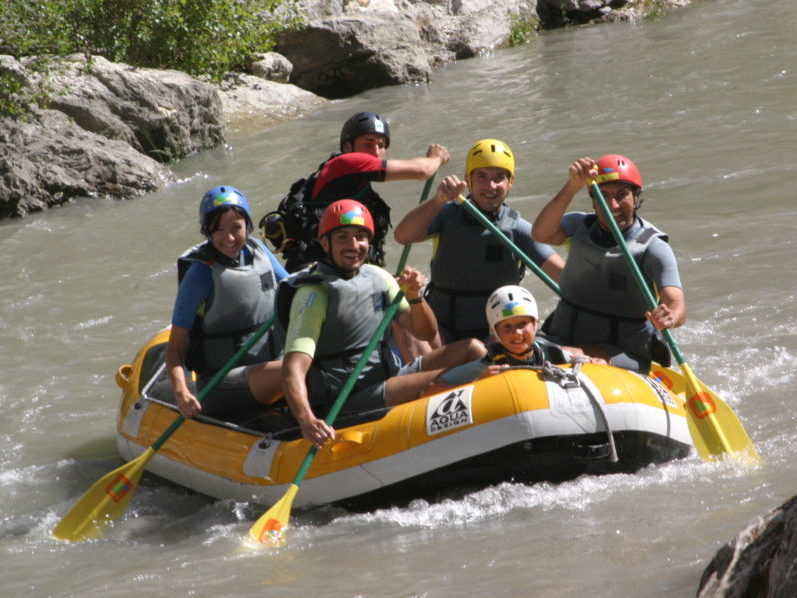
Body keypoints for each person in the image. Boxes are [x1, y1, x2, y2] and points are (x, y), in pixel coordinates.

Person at [277, 199, 486, 448]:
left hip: (389, 377)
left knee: (474, 350)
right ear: (325, 243)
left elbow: (425, 331)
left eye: (360, 237)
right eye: (342, 237)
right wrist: (306, 419)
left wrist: (415, 297)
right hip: (347, 399)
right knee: (447, 376)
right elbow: (293, 369)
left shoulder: (378, 277)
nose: (353, 246)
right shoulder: (314, 295)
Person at [393, 138, 565, 343]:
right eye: (481, 177)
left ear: (511, 182)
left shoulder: (518, 229)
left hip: (493, 334)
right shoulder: (446, 214)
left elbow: (564, 277)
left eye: (499, 177)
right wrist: (438, 200)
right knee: (401, 323)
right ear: (468, 179)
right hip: (441, 329)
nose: (490, 186)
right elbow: (402, 236)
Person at [532, 154, 687, 373]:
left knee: (580, 354)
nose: (612, 204)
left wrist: (670, 317)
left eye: (621, 195)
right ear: (593, 201)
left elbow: (677, 304)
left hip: (621, 352)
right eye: (603, 196)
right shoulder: (579, 226)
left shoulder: (653, 247)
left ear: (635, 197)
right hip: (563, 338)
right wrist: (572, 186)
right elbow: (540, 233)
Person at [260, 110, 450, 273]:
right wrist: (437, 158)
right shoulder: (345, 164)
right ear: (347, 147)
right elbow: (422, 170)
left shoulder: (362, 189)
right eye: (368, 143)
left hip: (345, 270)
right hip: (318, 273)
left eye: (381, 145)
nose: (375, 151)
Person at [165, 185, 289, 420]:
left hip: (270, 363)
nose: (229, 237)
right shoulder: (200, 273)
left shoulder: (259, 250)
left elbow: (293, 291)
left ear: (248, 226)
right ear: (207, 231)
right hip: (222, 382)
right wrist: (181, 392)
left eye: (236, 228)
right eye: (219, 229)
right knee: (294, 370)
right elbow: (175, 348)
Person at [436, 285, 605, 385]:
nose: (516, 332)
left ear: (535, 325)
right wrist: (478, 382)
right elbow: (433, 388)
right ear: (495, 332)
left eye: (522, 324)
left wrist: (592, 362)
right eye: (507, 327)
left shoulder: (551, 352)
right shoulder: (487, 362)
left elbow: (593, 364)